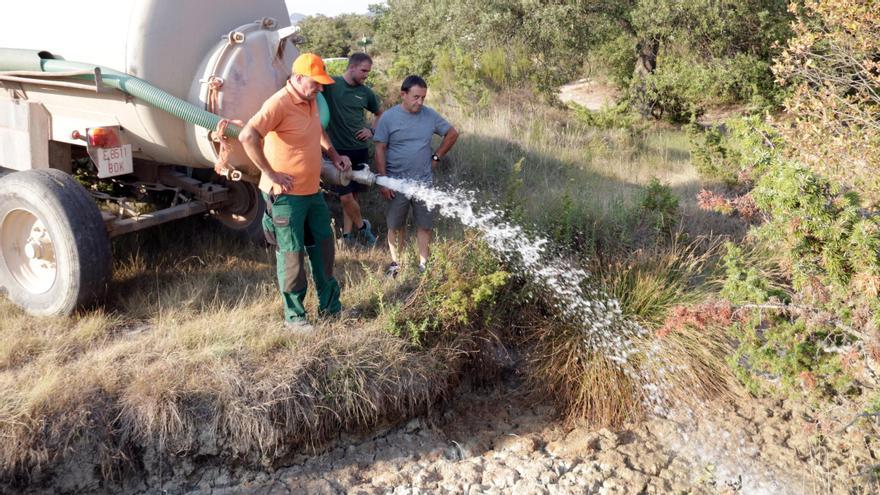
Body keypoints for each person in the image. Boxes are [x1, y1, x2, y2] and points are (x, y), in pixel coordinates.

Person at [238, 53, 351, 330]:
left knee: (324, 248)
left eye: (322, 84)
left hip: (312, 192)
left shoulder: (310, 100)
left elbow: (318, 130)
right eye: (316, 83)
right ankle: (295, 318)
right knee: (291, 256)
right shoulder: (279, 103)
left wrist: (334, 154)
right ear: (298, 79)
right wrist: (270, 172)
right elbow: (247, 136)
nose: (320, 88)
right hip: (286, 197)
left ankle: (331, 309)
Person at [373, 75, 459, 276]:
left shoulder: (429, 115)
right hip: (396, 182)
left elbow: (452, 133)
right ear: (403, 94)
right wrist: (384, 182)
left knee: (425, 225)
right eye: (415, 97)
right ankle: (396, 264)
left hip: (423, 182)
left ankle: (423, 265)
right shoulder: (388, 117)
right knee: (395, 225)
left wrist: (436, 157)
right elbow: (379, 150)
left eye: (423, 98)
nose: (419, 102)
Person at [322, 53, 382, 248]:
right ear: (352, 67)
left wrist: (371, 130)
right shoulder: (332, 85)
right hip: (338, 152)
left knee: (353, 196)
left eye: (368, 71)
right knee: (345, 196)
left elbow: (380, 113)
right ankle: (363, 228)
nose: (366, 75)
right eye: (364, 70)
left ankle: (347, 237)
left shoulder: (366, 92)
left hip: (360, 150)